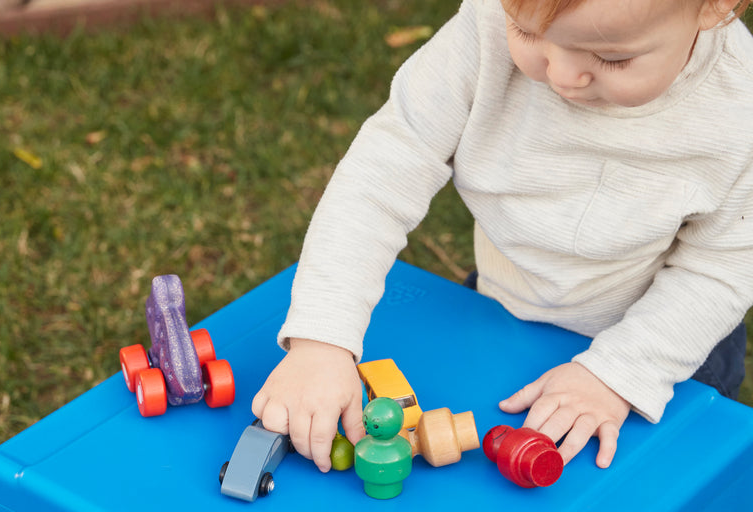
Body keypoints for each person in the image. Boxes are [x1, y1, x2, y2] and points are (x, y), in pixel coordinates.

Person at [252, 0, 753, 474]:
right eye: (529, 32)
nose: (559, 75)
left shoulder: (738, 109)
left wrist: (616, 376)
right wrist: (322, 339)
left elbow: (721, 268)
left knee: (641, 501)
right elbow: (382, 174)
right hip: (503, 302)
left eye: (611, 56)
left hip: (665, 340)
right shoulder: (486, 28)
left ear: (713, 6)